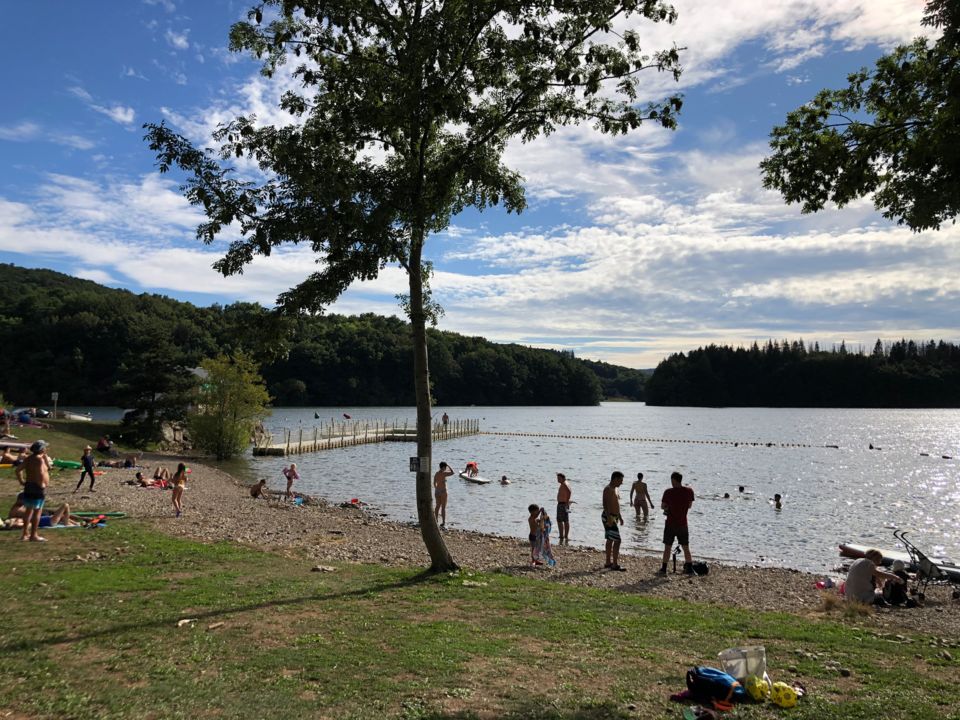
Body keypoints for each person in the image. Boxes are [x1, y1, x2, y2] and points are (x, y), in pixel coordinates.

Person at [15, 440, 52, 542]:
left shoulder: (29, 458)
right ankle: (33, 535)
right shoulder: (38, 460)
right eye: (45, 447)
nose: (46, 449)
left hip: (29, 486)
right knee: (37, 512)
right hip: (37, 488)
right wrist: (42, 484)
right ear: (41, 449)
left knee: (28, 511)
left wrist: (22, 481)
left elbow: (18, 470)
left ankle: (25, 534)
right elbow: (40, 472)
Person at [659, 471, 695, 575]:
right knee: (686, 547)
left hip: (670, 523)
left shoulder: (668, 492)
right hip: (683, 523)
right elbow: (689, 506)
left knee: (667, 546)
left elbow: (663, 506)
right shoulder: (689, 491)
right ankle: (689, 567)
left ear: (673, 480)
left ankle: (664, 568)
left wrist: (668, 507)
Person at [8, 494, 79, 528]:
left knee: (62, 515)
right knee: (65, 505)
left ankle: (76, 524)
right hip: (48, 521)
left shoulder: (18, 508)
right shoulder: (18, 510)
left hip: (46, 520)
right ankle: (67, 524)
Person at [602, 471, 626, 571]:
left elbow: (615, 504)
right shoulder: (608, 489)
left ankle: (608, 562)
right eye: (620, 480)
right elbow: (605, 504)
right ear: (615, 479)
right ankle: (614, 564)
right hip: (609, 517)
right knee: (617, 540)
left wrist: (619, 517)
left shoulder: (615, 489)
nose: (621, 483)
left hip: (614, 517)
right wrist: (609, 519)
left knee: (610, 539)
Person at [434, 461, 453, 526]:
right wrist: (448, 465)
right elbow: (452, 472)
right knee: (443, 508)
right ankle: (443, 522)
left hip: (437, 491)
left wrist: (437, 488)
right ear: (444, 467)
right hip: (443, 491)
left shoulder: (436, 473)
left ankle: (436, 520)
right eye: (445, 467)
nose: (445, 468)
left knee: (437, 506)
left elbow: (434, 483)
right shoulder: (444, 473)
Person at [556, 472, 572, 543]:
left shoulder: (564, 484)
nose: (557, 480)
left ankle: (562, 536)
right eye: (557, 478)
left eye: (559, 478)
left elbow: (569, 492)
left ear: (563, 478)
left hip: (562, 504)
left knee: (560, 520)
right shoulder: (565, 483)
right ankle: (565, 536)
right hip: (564, 504)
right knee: (565, 520)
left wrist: (567, 501)